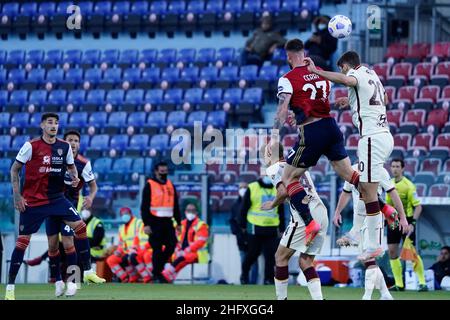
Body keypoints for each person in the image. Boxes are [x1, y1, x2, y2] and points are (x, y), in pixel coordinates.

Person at [304, 51, 402, 261]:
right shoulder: (372, 74)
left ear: (347, 66)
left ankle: (372, 243)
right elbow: (382, 99)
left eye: (341, 68)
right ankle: (358, 232)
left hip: (371, 139)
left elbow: (346, 79)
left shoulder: (354, 74)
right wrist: (350, 102)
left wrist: (316, 72)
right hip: (385, 136)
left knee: (367, 190)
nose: (342, 73)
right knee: (366, 189)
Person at [272, 39, 362, 248]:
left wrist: (274, 134)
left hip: (311, 132)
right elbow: (316, 102)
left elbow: (283, 109)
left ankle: (310, 223)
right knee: (350, 175)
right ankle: (382, 206)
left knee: (288, 178)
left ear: (288, 56)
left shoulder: (287, 79)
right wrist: (306, 112)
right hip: (331, 127)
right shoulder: (320, 72)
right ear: (304, 53)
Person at [5, 113, 103, 300]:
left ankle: (80, 277)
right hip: (33, 201)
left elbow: (82, 175)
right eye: (50, 123)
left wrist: (77, 179)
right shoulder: (31, 146)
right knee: (37, 245)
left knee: (75, 234)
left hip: (59, 200)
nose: (53, 126)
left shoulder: (72, 154)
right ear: (42, 125)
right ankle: (13, 287)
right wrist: (17, 195)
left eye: (56, 123)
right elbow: (15, 169)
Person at [262, 141, 328, 300]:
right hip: (320, 210)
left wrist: (272, 203)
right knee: (305, 261)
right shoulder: (293, 165)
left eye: (264, 152)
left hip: (304, 215)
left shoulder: (273, 168)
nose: (263, 156)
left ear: (270, 153)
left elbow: (283, 192)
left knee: (280, 257)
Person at [334, 163, 408, 300]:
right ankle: (385, 294)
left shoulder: (380, 171)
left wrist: (402, 217)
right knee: (367, 261)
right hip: (359, 222)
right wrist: (337, 212)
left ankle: (366, 296)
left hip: (374, 219)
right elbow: (346, 193)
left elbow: (393, 193)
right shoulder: (352, 170)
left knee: (369, 258)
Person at [44, 130, 103, 278]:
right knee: (52, 245)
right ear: (64, 143)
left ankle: (73, 280)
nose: (73, 143)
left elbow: (93, 186)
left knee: (69, 243)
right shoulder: (55, 159)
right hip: (52, 205)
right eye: (70, 140)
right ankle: (55, 279)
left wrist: (90, 197)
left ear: (79, 144)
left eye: (76, 141)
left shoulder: (84, 163)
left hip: (69, 206)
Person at [386, 158, 428, 292]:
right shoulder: (388, 184)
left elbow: (418, 207)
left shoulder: (408, 185)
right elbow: (387, 205)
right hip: (393, 220)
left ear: (403, 169)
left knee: (412, 253)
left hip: (407, 221)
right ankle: (399, 284)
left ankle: (422, 283)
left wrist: (413, 223)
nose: (395, 169)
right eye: (393, 166)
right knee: (392, 251)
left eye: (397, 166)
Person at [239, 169, 285, 285]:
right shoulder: (252, 187)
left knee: (270, 257)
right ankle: (244, 276)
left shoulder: (278, 188)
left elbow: (281, 211)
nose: (267, 177)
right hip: (255, 227)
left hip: (272, 228)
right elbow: (243, 208)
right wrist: (243, 226)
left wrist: (282, 228)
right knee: (252, 254)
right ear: (260, 175)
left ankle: (268, 279)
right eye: (265, 175)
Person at [141, 161, 181, 283]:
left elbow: (175, 206)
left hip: (168, 222)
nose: (164, 173)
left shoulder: (170, 185)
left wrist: (178, 222)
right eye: (161, 171)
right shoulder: (150, 185)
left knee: (172, 246)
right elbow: (144, 206)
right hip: (154, 221)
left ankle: (157, 270)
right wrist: (146, 224)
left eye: (165, 171)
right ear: (156, 171)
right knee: (157, 249)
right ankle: (157, 275)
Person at [161, 200, 209, 283]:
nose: (190, 213)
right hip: (182, 252)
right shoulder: (181, 224)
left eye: (193, 211)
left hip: (196, 253)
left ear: (196, 212)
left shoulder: (201, 225)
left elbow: (200, 241)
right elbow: (176, 239)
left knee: (181, 258)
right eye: (188, 211)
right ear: (185, 212)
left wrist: (188, 249)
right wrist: (177, 248)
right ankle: (168, 276)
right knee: (169, 254)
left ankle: (168, 273)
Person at [106, 207, 152, 283]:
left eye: (126, 213)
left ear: (131, 214)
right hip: (127, 251)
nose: (125, 216)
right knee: (111, 260)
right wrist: (118, 251)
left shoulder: (138, 223)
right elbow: (121, 244)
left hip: (138, 250)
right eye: (123, 214)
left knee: (131, 258)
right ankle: (125, 277)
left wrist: (135, 248)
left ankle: (146, 277)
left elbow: (137, 238)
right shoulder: (121, 228)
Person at [230, 182, 258, 284]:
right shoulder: (235, 205)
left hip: (253, 236)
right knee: (243, 259)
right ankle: (244, 280)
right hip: (241, 238)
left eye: (245, 187)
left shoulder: (254, 202)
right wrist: (236, 232)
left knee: (253, 260)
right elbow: (232, 220)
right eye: (241, 187)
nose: (243, 189)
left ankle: (253, 281)